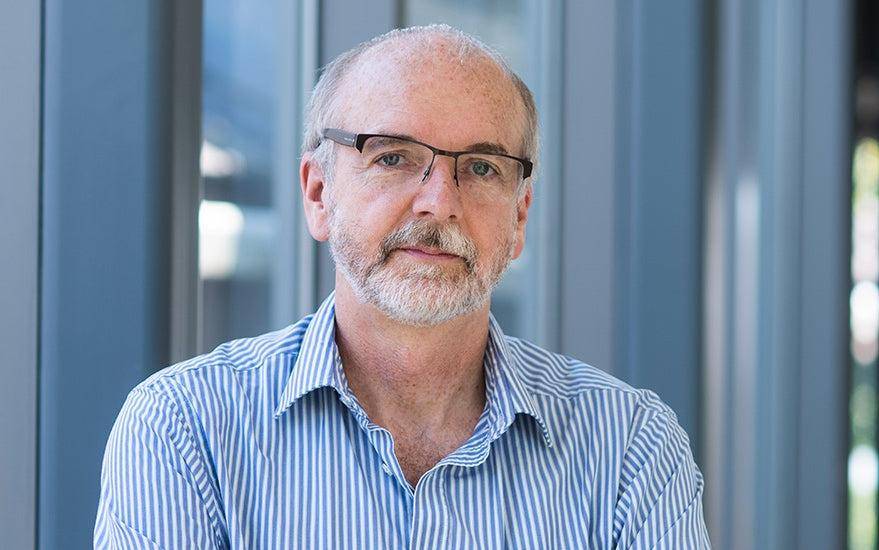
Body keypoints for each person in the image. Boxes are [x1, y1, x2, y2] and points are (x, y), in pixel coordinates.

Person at [94, 24, 710, 549]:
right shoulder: (185, 430)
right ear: (318, 194)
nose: (439, 202)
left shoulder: (629, 448)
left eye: (482, 168)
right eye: (392, 157)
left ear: (520, 217)